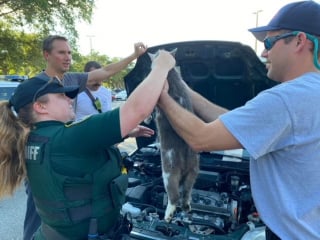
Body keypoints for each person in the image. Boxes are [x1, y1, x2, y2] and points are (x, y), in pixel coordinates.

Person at [157, 1, 320, 239]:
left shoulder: (287, 99)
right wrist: (182, 90)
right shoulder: (309, 93)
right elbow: (236, 125)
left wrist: (161, 97)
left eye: (268, 43)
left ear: (299, 41)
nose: (264, 52)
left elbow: (200, 138)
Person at [0, 50, 175, 239]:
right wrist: (161, 65)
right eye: (61, 96)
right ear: (40, 107)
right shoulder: (65, 137)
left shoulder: (32, 137)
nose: (70, 99)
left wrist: (122, 134)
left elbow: (71, 156)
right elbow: (137, 109)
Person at [23, 35, 149, 240]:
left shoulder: (72, 79)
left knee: (77, 211)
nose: (67, 57)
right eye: (61, 52)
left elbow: (106, 71)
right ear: (46, 55)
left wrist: (134, 56)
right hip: (48, 158)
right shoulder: (36, 86)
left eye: (70, 52)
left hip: (77, 152)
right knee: (44, 215)